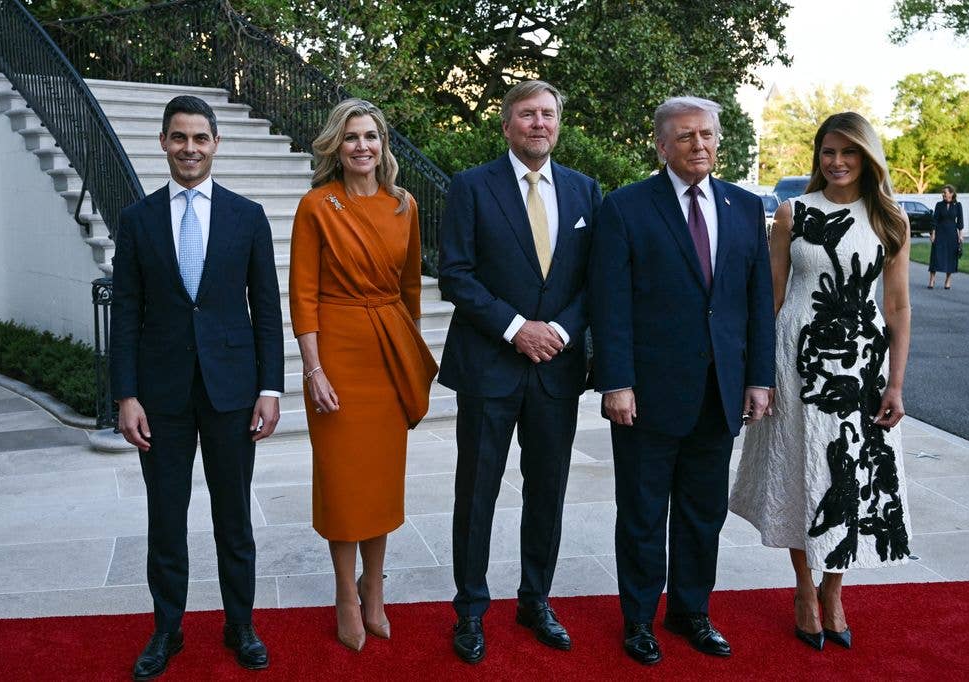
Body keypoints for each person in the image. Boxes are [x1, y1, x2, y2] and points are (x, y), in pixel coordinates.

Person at [589, 96, 775, 665]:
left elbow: (756, 302)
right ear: (662, 145)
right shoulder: (625, 208)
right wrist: (615, 382)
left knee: (702, 513)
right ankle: (639, 620)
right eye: (687, 137)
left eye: (708, 135)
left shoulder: (744, 208)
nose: (700, 146)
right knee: (643, 513)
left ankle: (691, 611)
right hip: (646, 395)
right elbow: (610, 304)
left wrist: (759, 379)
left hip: (720, 391)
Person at [111, 95, 283, 678]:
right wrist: (126, 394)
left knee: (233, 517)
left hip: (233, 392)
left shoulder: (247, 215)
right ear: (164, 142)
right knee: (166, 517)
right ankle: (168, 629)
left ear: (215, 144)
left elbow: (265, 306)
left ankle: (241, 625)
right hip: (161, 397)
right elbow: (127, 311)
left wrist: (271, 387)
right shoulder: (136, 220)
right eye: (179, 137)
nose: (190, 148)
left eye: (200, 138)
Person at [729, 111, 914, 651]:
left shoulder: (889, 219)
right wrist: (758, 374)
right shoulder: (793, 214)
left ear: (867, 157)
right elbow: (772, 299)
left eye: (848, 152)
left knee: (850, 477)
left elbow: (899, 307)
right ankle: (805, 589)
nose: (836, 162)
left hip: (863, 368)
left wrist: (896, 385)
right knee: (800, 473)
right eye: (828, 152)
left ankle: (835, 590)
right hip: (795, 360)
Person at [438, 80, 602, 664]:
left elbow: (593, 281)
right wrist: (515, 328)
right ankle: (471, 609)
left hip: (556, 369)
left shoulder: (586, 192)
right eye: (527, 114)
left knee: (548, 491)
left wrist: (558, 330)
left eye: (548, 115)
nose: (539, 123)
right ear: (506, 125)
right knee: (476, 492)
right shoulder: (471, 186)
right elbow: (455, 274)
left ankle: (536, 600)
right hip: (489, 367)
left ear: (559, 124)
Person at [288, 98, 437, 651]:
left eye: (371, 136)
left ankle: (374, 586)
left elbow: (411, 291)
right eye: (351, 137)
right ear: (336, 145)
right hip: (338, 354)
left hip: (388, 350)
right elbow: (301, 292)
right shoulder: (316, 205)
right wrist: (313, 368)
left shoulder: (404, 205)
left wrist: (409, 357)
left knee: (379, 479)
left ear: (383, 145)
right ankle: (344, 595)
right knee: (343, 480)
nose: (362, 146)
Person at [927, 185, 964, 289]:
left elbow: (960, 222)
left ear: (951, 193)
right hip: (940, 233)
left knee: (951, 257)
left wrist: (960, 236)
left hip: (952, 234)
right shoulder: (939, 205)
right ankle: (932, 280)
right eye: (942, 192)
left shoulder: (958, 205)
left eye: (945, 192)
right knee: (935, 255)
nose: (943, 194)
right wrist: (933, 234)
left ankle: (948, 281)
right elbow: (935, 220)